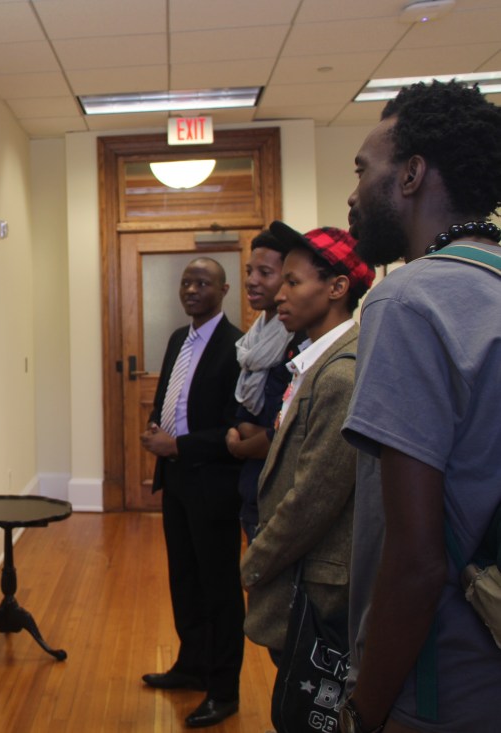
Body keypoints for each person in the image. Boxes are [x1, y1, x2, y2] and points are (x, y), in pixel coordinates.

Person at [339, 80, 501, 733]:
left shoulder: (409, 301)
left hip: (442, 682)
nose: (353, 193)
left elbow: (416, 557)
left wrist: (364, 710)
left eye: (362, 168)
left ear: (410, 175)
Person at [240, 223, 373, 667]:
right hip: (298, 577)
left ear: (337, 287)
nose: (279, 294)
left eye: (293, 282)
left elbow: (314, 497)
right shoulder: (313, 363)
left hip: (318, 593)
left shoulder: (340, 374)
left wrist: (254, 562)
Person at [139, 257, 245, 728]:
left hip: (214, 482)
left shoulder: (238, 347)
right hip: (177, 480)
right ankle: (191, 665)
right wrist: (154, 428)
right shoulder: (178, 339)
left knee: (219, 588)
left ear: (224, 289)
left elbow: (234, 429)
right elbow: (169, 394)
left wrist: (177, 444)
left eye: (203, 282)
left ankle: (224, 689)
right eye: (186, 282)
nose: (192, 289)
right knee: (183, 578)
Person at [226, 229, 301, 542]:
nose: (252, 280)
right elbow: (243, 420)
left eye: (265, 273)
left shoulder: (297, 342)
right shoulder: (253, 339)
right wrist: (249, 435)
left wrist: (238, 446)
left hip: (278, 496)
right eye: (249, 271)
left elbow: (284, 437)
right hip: (251, 489)